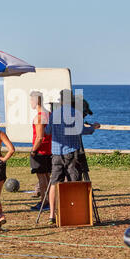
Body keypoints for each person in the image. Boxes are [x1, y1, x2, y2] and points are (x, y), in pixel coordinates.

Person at [44, 89, 100, 225]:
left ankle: (52, 215)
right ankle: (70, 212)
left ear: (61, 100)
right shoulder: (76, 113)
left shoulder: (55, 114)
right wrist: (93, 128)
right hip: (72, 151)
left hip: (56, 152)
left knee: (54, 182)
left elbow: (47, 131)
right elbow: (81, 131)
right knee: (73, 182)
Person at [28, 91, 52, 212]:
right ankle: (49, 200)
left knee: (42, 178)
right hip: (49, 149)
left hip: (41, 151)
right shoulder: (49, 114)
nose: (30, 103)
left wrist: (33, 151)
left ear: (36, 101)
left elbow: (39, 137)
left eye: (31, 100)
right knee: (47, 177)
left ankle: (44, 201)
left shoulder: (39, 116)